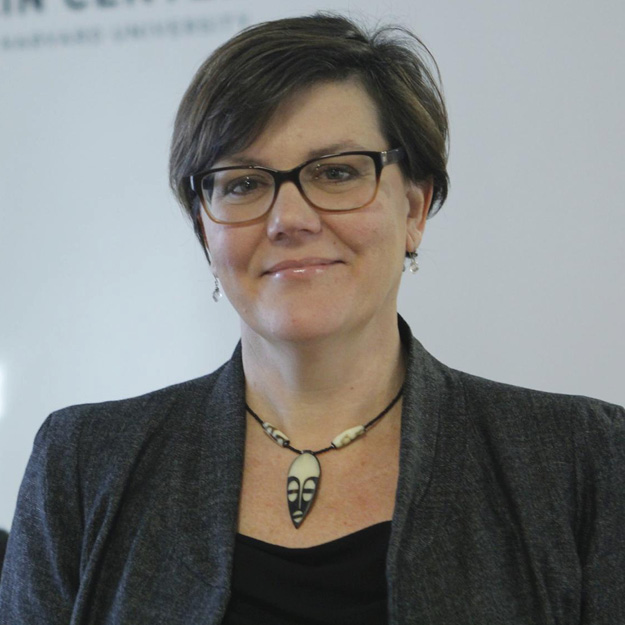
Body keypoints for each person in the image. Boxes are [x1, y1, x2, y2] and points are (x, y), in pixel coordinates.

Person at [1, 12, 624, 625]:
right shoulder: (82, 465)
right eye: (243, 182)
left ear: (414, 207)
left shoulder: (584, 459)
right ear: (204, 226)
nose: (289, 218)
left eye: (336, 173)